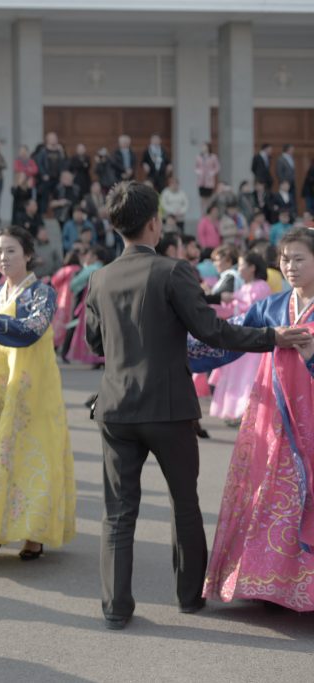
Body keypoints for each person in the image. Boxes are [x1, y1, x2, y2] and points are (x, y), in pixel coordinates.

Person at [82, 181, 308, 629]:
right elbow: (211, 331)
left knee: (119, 512)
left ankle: (115, 606)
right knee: (184, 503)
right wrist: (272, 337)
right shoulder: (174, 271)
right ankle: (188, 597)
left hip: (116, 409)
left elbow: (93, 341)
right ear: (155, 223)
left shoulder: (100, 278)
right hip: (169, 408)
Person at [190, 226, 314, 613]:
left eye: (299, 258)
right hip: (271, 419)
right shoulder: (272, 306)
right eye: (285, 258)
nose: (290, 266)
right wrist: (173, 346)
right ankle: (266, 583)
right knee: (268, 497)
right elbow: (229, 336)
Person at [0, 226, 76, 561]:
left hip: (33, 392)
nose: (3, 257)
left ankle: (33, 533)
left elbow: (30, 331)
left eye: (10, 251)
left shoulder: (42, 293)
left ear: (27, 255)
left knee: (30, 456)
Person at [208, 252, 273, 423]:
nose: (239, 268)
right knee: (238, 378)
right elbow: (233, 310)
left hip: (253, 340)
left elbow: (254, 312)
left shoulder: (261, 287)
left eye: (242, 265)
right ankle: (237, 412)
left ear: (252, 267)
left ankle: (247, 413)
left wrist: (232, 303)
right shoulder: (244, 287)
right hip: (240, 338)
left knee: (248, 379)